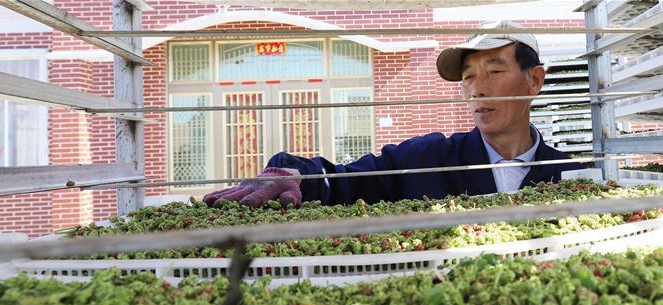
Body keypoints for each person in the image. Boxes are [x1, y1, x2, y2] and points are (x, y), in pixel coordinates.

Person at [204, 20, 583, 208]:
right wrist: (297, 175)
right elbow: (349, 180)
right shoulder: (429, 160)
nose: (477, 88)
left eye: (495, 71)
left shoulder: (572, 174)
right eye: (468, 77)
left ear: (534, 80)